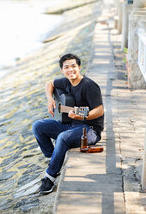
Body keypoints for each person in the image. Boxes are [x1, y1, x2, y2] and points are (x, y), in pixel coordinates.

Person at [32, 53, 104, 194]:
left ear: (79, 67)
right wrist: (49, 99)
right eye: (66, 67)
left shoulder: (89, 86)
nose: (70, 70)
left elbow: (100, 110)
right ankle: (53, 159)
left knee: (63, 137)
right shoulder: (65, 81)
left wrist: (83, 116)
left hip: (89, 130)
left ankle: (50, 177)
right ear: (62, 70)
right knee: (38, 126)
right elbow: (49, 84)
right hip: (71, 124)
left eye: (73, 66)